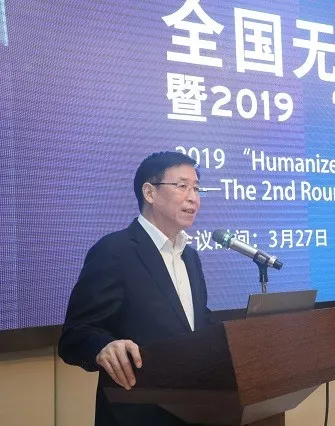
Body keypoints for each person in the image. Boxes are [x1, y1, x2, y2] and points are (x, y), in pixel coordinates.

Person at [58, 151, 211, 426]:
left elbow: (195, 322)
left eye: (197, 188)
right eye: (182, 186)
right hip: (135, 412)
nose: (193, 197)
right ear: (149, 193)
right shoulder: (114, 251)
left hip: (193, 409)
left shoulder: (190, 257)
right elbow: (75, 335)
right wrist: (103, 346)